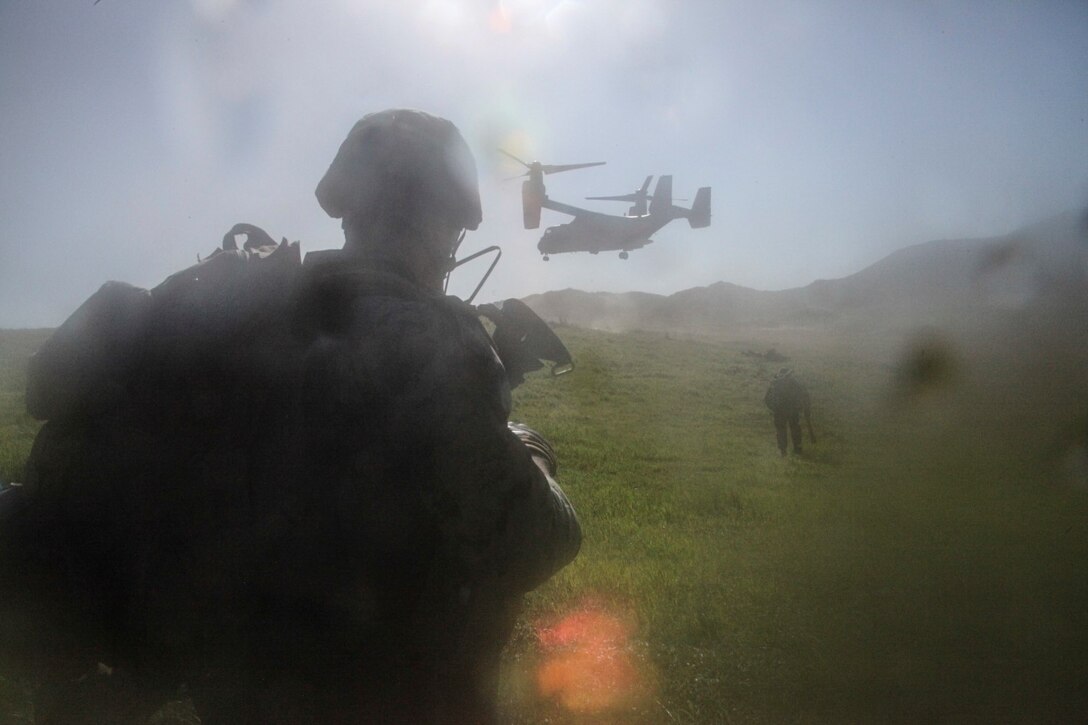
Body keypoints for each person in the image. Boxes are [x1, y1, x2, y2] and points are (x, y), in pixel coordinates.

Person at [2, 109, 581, 724]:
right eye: (451, 230)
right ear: (442, 222)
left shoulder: (259, 313)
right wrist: (531, 448)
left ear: (348, 210)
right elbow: (535, 542)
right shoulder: (419, 335)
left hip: (239, 689)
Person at [764, 367, 813, 456]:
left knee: (781, 430)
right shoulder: (795, 383)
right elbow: (804, 395)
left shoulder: (776, 383)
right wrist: (803, 408)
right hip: (793, 410)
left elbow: (767, 398)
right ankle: (797, 448)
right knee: (795, 428)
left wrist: (773, 408)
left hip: (779, 410)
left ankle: (783, 451)